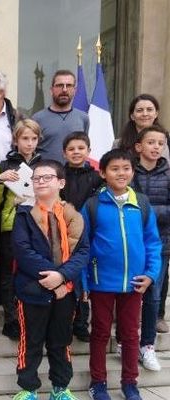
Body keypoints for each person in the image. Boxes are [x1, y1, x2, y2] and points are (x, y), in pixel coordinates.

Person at [83, 149, 161, 400]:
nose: (121, 173)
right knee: (100, 333)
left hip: (135, 283)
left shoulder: (141, 203)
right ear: (103, 173)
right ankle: (98, 382)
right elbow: (82, 246)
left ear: (132, 171)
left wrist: (150, 274)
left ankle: (130, 383)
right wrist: (84, 281)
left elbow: (153, 243)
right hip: (101, 282)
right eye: (114, 169)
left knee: (129, 334)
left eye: (126, 168)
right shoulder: (93, 205)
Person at [11, 160, 89, 400]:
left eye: (47, 177)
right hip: (34, 290)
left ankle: (60, 387)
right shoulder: (24, 214)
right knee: (31, 341)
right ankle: (28, 388)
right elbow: (23, 251)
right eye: (36, 178)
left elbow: (83, 252)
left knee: (61, 341)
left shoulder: (74, 217)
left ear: (61, 183)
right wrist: (53, 277)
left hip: (65, 292)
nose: (41, 182)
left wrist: (62, 276)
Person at [0, 119, 42, 340]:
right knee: (8, 274)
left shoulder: (45, 165)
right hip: (11, 224)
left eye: (33, 139)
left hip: (38, 224)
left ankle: (30, 317)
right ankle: (10, 319)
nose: (29, 143)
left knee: (33, 272)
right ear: (16, 140)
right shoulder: (4, 165)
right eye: (24, 139)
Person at [130, 125, 170, 371]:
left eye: (160, 143)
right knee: (129, 293)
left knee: (153, 295)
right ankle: (128, 340)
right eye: (151, 142)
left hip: (161, 244)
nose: (156, 147)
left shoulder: (168, 174)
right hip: (131, 244)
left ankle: (147, 345)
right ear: (139, 146)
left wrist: (147, 212)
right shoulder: (127, 171)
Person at [59, 131, 103, 343]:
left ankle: (81, 323)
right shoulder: (59, 175)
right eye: (71, 149)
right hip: (63, 233)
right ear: (64, 153)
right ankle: (65, 323)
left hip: (88, 233)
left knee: (84, 278)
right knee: (68, 277)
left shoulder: (96, 177)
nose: (76, 152)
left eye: (81, 148)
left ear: (89, 151)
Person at [32, 70, 89, 164]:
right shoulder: (37, 119)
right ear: (51, 90)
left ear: (75, 91)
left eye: (69, 85)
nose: (64, 90)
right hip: (47, 175)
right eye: (60, 85)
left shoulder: (83, 118)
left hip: (75, 175)